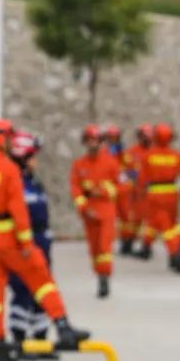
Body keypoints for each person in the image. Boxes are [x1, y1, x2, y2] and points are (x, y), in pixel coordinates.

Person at [0, 118, 91, 361]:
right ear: (0, 139)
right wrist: (26, 245)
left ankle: (1, 346)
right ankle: (63, 326)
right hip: (10, 243)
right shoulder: (8, 169)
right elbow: (18, 210)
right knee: (42, 279)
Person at [6, 129, 57, 359]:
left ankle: (40, 341)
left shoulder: (33, 183)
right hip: (22, 246)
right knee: (23, 293)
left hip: (41, 243)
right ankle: (19, 341)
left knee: (42, 292)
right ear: (23, 156)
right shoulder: (13, 182)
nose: (37, 161)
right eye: (33, 156)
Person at [70, 124, 121, 298]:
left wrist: (103, 191)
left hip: (106, 209)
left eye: (96, 141)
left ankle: (104, 277)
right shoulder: (79, 165)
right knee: (94, 248)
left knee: (105, 246)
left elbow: (120, 186)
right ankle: (99, 273)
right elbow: (75, 188)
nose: (93, 144)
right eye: (90, 140)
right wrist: (83, 206)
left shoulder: (111, 163)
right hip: (89, 212)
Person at [136, 122, 180, 273]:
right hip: (173, 193)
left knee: (164, 226)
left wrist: (140, 194)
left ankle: (176, 254)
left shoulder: (149, 155)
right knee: (173, 223)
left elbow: (142, 179)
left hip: (156, 195)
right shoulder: (175, 155)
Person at [104, 124, 139, 255]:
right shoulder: (104, 153)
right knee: (108, 216)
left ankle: (127, 241)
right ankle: (105, 243)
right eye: (111, 137)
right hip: (109, 189)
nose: (113, 140)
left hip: (124, 189)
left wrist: (131, 182)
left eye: (115, 137)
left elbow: (133, 170)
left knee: (126, 216)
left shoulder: (125, 153)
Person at [126, 124, 154, 256]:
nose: (146, 139)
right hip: (137, 192)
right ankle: (128, 242)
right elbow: (127, 169)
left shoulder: (155, 152)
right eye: (144, 136)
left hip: (152, 192)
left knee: (151, 220)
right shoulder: (132, 152)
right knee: (135, 219)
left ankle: (146, 246)